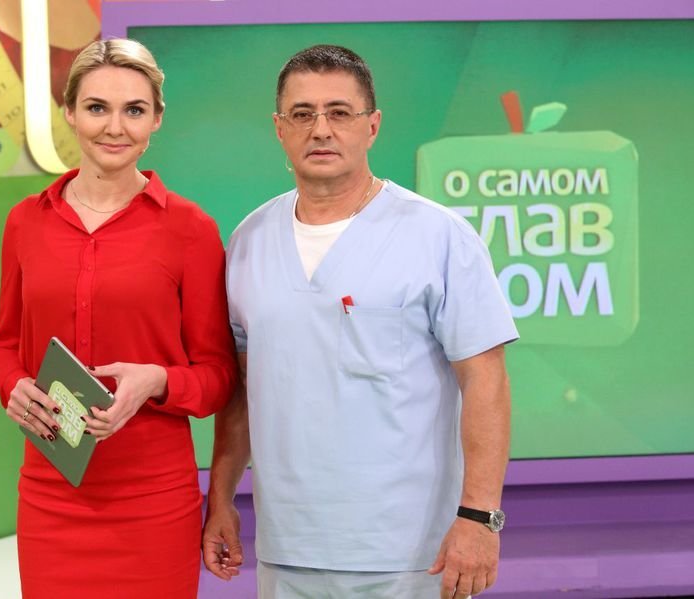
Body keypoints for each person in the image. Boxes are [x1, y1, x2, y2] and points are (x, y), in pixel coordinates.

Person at [203, 45, 518, 599]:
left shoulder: (437, 236)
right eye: (302, 114)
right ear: (279, 129)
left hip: (411, 554)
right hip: (287, 549)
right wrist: (221, 498)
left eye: (339, 112)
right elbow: (244, 390)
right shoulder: (250, 240)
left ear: (372, 126)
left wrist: (480, 516)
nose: (320, 129)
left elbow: (485, 381)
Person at [0, 38, 237, 598]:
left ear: (157, 119)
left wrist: (157, 380)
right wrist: (13, 385)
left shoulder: (190, 230)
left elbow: (219, 377)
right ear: (70, 112)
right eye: (97, 107)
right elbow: (4, 345)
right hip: (51, 494)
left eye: (135, 110)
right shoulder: (25, 223)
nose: (115, 127)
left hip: (152, 499)